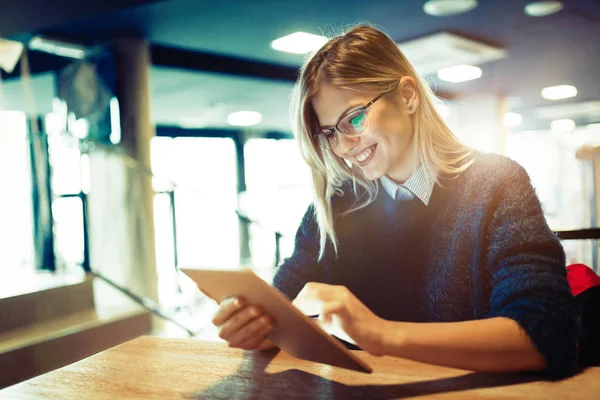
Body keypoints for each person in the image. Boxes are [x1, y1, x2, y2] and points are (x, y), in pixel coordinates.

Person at [210, 25, 578, 377]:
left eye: (353, 118)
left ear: (407, 96)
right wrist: (255, 327)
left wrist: (380, 334)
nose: (343, 147)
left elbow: (546, 333)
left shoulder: (495, 183)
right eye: (329, 134)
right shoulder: (336, 203)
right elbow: (284, 306)